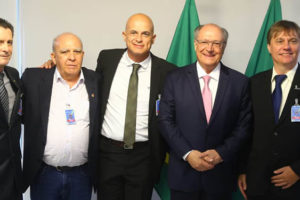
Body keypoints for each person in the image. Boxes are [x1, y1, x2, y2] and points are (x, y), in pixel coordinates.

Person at [158, 24, 252, 200]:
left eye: (216, 43)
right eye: (204, 42)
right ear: (195, 45)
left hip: (220, 177)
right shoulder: (174, 79)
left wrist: (221, 153)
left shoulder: (240, 83)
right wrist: (188, 153)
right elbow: (165, 120)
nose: (210, 48)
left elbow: (243, 127)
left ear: (224, 47)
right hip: (183, 176)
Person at [95, 13, 176, 200]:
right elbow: (88, 83)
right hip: (108, 154)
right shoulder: (107, 59)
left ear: (153, 38)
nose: (139, 39)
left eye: (145, 34)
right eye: (133, 32)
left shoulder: (167, 71)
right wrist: (53, 67)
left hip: (144, 157)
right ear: (124, 35)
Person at [22, 32, 101, 200]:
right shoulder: (34, 79)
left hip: (81, 176)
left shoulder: (96, 81)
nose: (72, 57)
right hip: (45, 174)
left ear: (83, 55)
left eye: (77, 51)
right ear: (53, 56)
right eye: (64, 52)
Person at [238, 20, 300, 200]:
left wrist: (297, 170)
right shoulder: (254, 83)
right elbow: (246, 131)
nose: (286, 47)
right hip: (257, 182)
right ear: (269, 47)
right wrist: (242, 170)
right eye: (280, 41)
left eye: (293, 41)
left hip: (295, 186)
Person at [0, 18, 23, 200]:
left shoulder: (13, 75)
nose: (6, 48)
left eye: (9, 42)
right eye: (0, 42)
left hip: (13, 173)